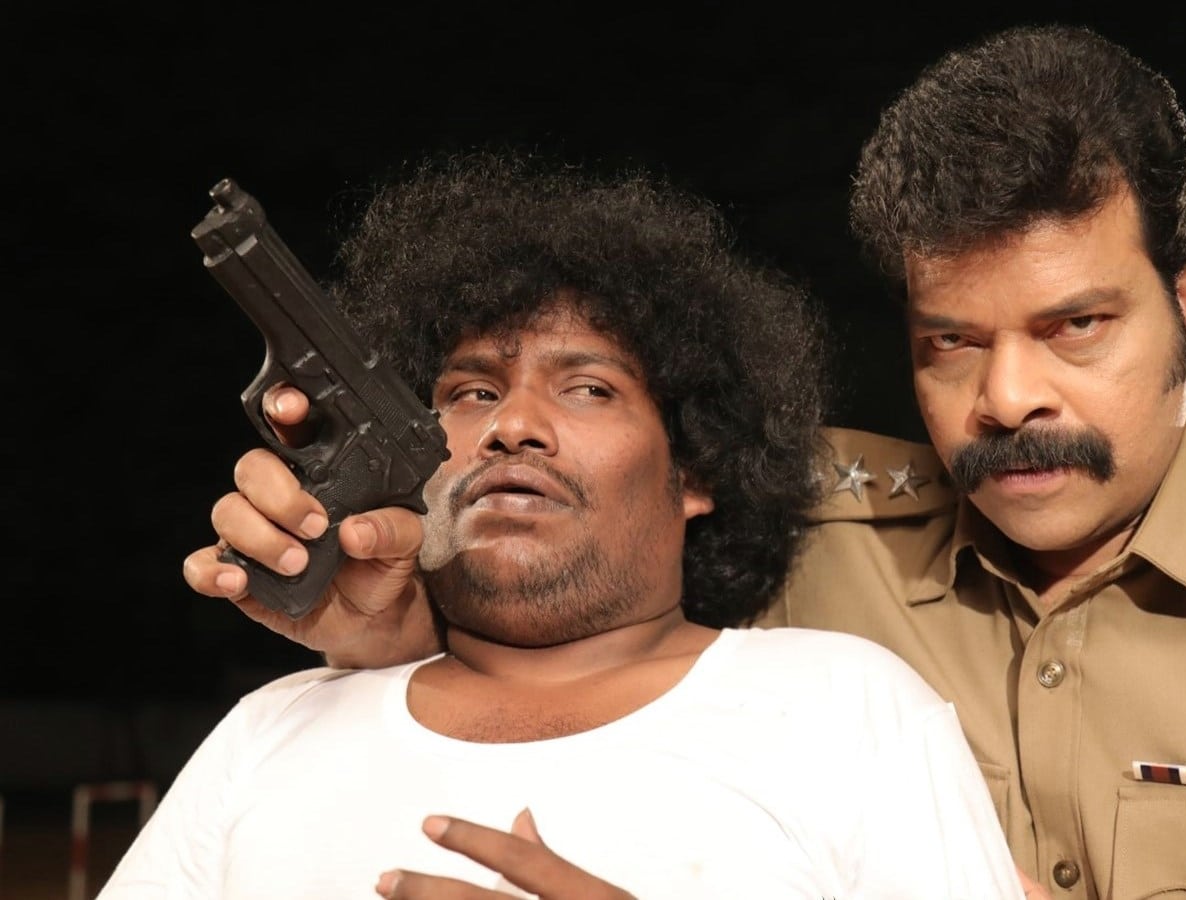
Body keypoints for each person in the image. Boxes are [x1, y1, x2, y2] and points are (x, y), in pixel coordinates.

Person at [189, 25, 1186, 899]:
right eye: (950, 343)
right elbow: (559, 624)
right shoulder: (791, 531)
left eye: (1076, 326)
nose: (1009, 397)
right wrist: (394, 624)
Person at [106, 152, 1027, 899]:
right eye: (472, 392)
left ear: (695, 469)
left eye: (588, 388)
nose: (512, 424)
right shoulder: (271, 730)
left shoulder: (847, 709)